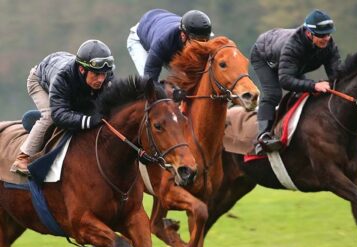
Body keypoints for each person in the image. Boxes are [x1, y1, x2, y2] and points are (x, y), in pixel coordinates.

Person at [11, 39, 115, 176]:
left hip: (70, 86)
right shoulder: (63, 77)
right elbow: (59, 114)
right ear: (82, 69)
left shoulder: (106, 76)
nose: (101, 79)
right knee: (50, 116)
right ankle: (23, 157)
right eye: (96, 74)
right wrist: (89, 121)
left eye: (104, 74)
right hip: (39, 80)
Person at [250, 9, 341, 154]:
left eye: (328, 34)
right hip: (264, 56)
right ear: (309, 33)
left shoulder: (329, 45)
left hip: (290, 62)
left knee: (303, 94)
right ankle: (263, 137)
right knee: (273, 94)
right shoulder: (293, 46)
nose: (326, 38)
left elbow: (337, 76)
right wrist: (314, 85)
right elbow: (285, 80)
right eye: (321, 35)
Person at [126, 9, 212, 82]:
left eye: (204, 41)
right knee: (148, 84)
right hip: (139, 39)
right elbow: (150, 76)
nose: (200, 46)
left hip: (160, 23)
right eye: (196, 41)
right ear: (183, 35)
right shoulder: (162, 42)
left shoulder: (198, 39)